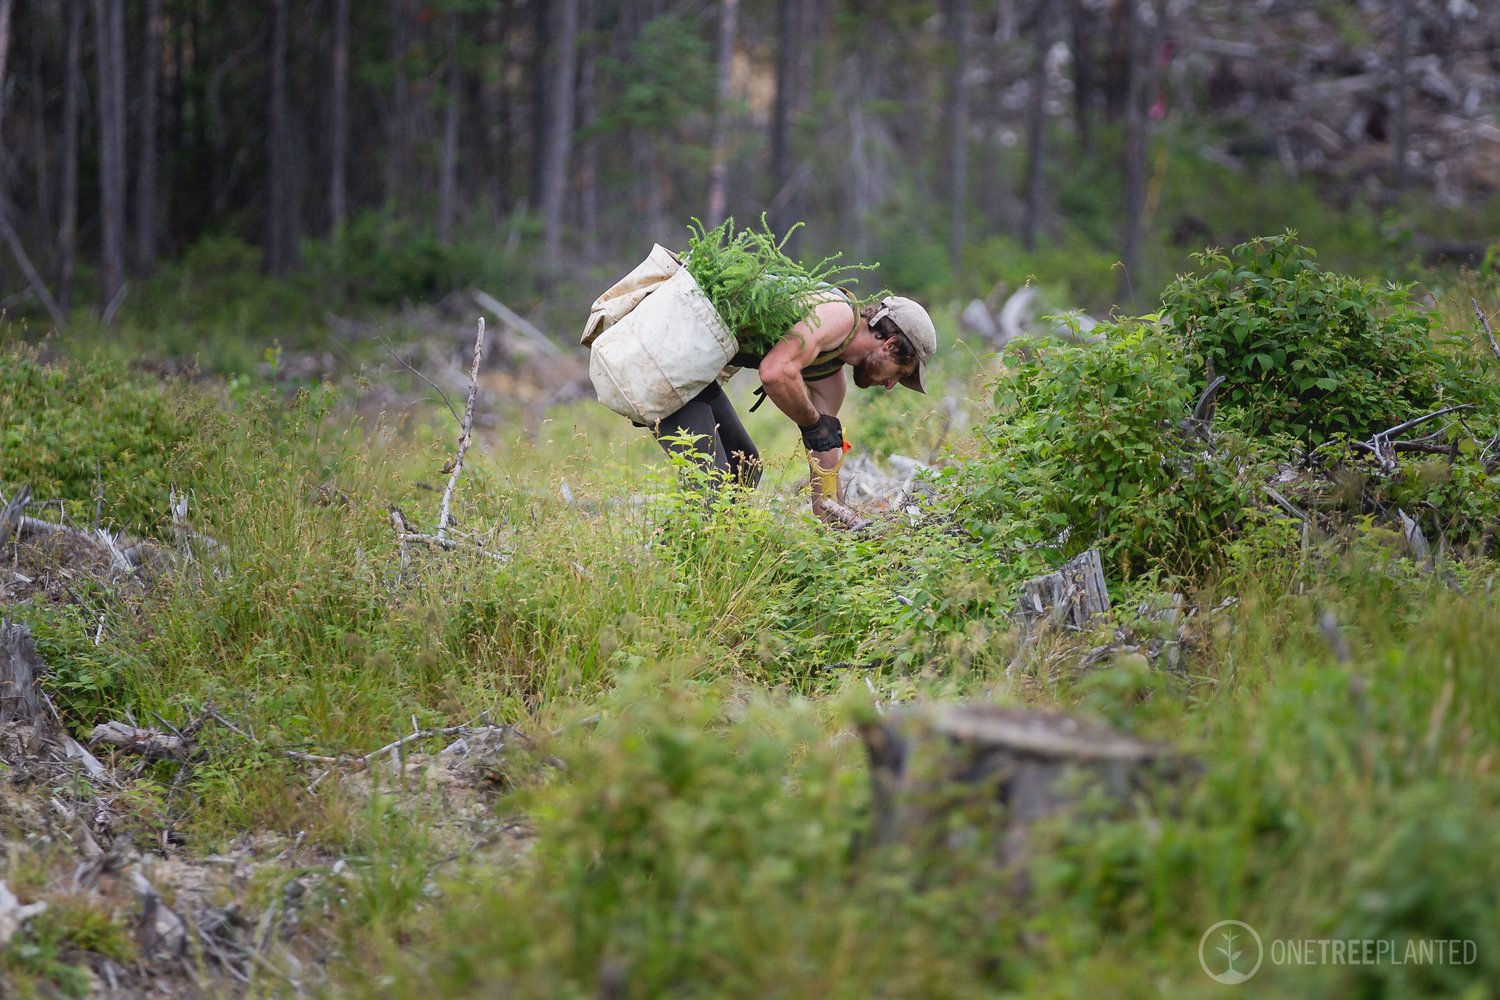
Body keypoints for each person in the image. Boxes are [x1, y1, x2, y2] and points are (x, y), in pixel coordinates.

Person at [651, 290, 937, 521]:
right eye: (900, 373)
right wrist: (812, 424)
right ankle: (674, 571)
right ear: (890, 345)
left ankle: (712, 560)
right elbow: (775, 372)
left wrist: (838, 531)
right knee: (710, 480)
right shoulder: (837, 314)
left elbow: (825, 453)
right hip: (664, 348)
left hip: (691, 365)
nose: (890, 386)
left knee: (743, 466)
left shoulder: (830, 377)